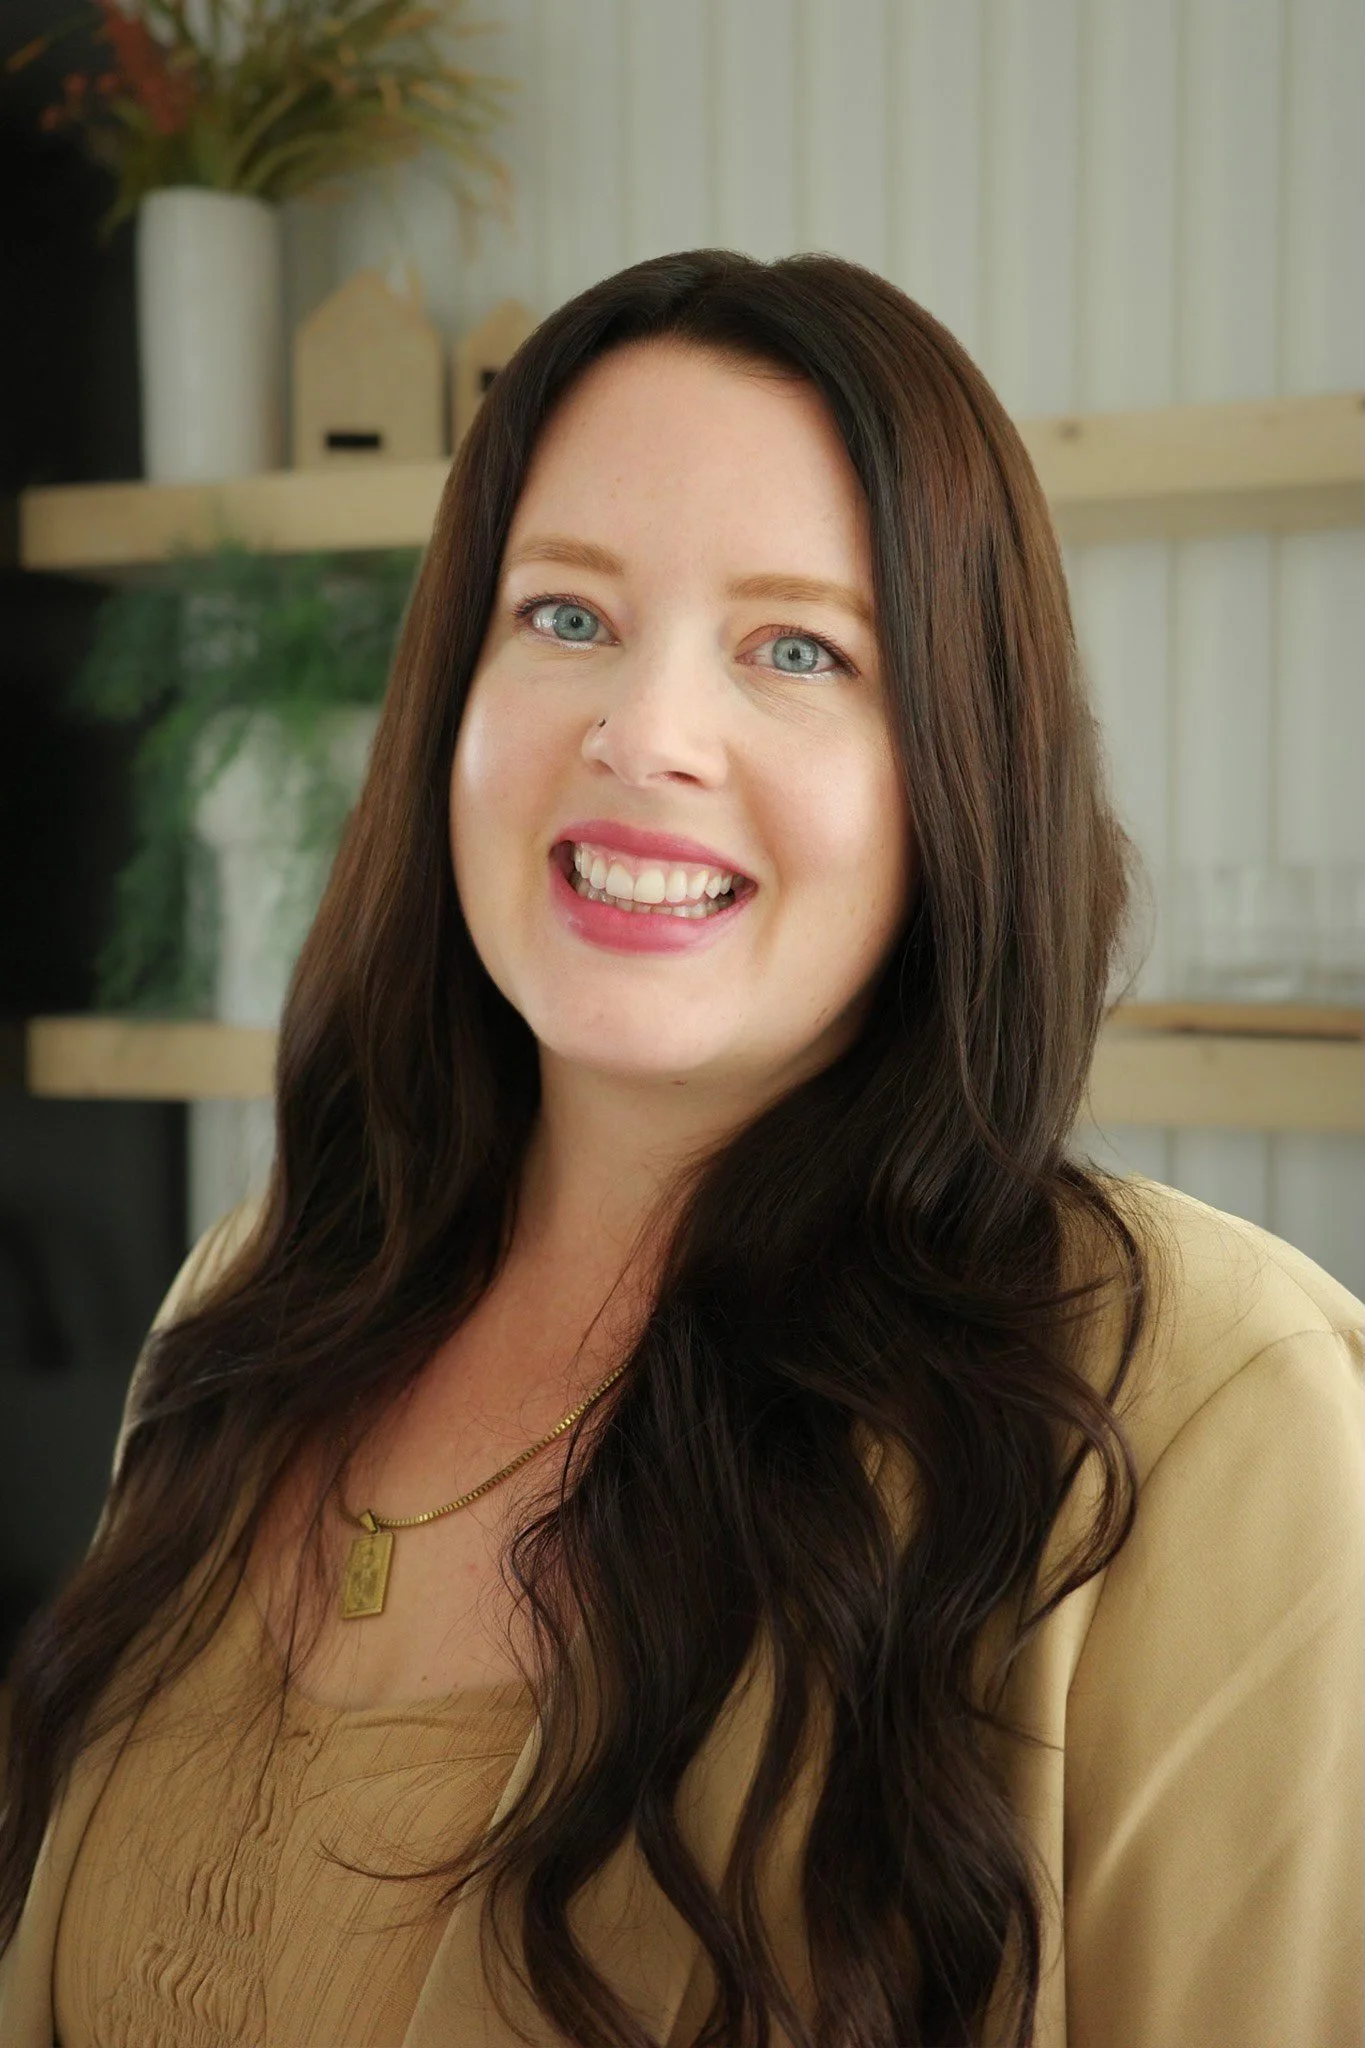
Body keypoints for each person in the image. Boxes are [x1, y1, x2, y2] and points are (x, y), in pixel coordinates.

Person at [0, 249, 1360, 2048]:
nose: (644, 734)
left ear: (961, 769)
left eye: (797, 648)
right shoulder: (246, 1309)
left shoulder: (1210, 1403)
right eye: (564, 616)